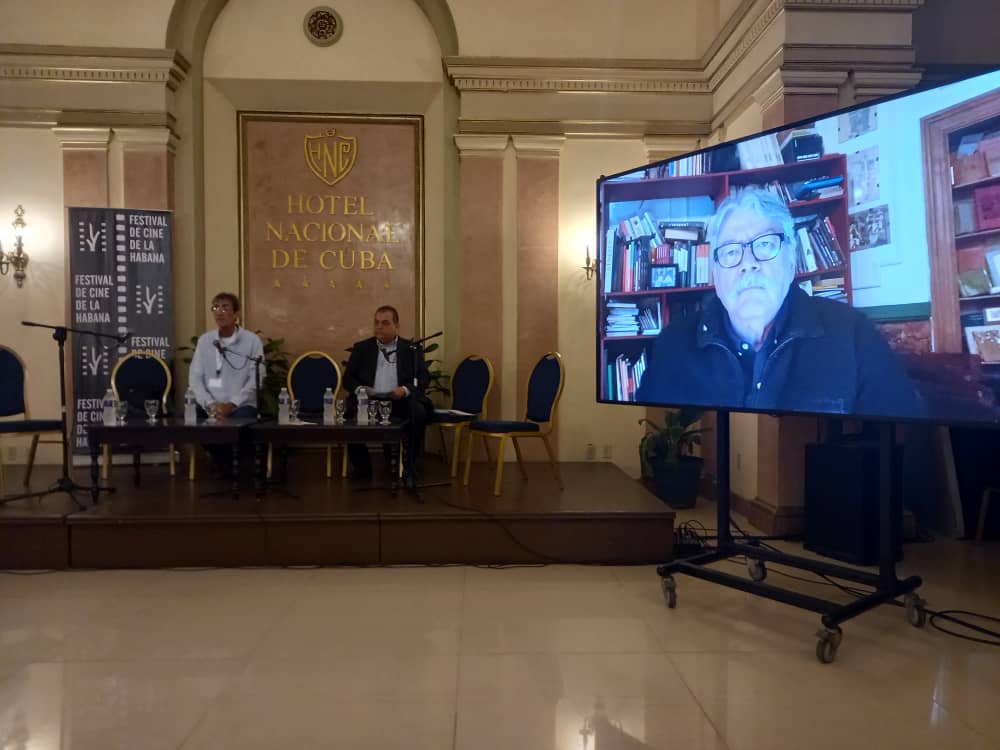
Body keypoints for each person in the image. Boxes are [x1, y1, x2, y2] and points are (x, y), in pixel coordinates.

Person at [636, 186, 925, 417]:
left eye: (764, 244)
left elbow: (899, 440)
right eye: (731, 251)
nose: (748, 264)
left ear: (791, 261)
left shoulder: (853, 336)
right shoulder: (673, 344)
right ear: (715, 274)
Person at [343, 305, 432, 479]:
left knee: (419, 413)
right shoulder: (362, 348)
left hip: (399, 400)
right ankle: (362, 468)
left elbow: (423, 378)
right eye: (376, 323)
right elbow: (348, 378)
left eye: (385, 323)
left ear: (396, 326)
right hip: (368, 400)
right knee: (350, 413)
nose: (379, 327)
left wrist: (404, 390)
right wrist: (361, 390)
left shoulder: (410, 349)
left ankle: (408, 465)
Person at [188, 292, 265, 471]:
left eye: (225, 307)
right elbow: (195, 377)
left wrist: (231, 404)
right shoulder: (205, 341)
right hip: (211, 405)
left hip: (241, 404)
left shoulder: (251, 341)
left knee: (240, 423)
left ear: (236, 313)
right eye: (215, 308)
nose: (219, 312)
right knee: (192, 420)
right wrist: (211, 404)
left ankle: (233, 466)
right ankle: (226, 464)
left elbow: (256, 379)